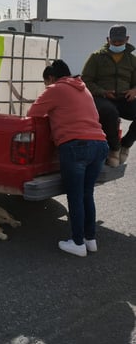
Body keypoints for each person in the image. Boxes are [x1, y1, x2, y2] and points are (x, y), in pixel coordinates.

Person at [27, 60, 109, 257]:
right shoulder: (83, 88)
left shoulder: (56, 88)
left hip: (76, 146)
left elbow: (33, 113)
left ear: (51, 78)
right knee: (86, 194)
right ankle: (90, 239)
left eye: (46, 83)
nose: (46, 87)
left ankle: (78, 243)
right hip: (99, 144)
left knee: (75, 196)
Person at [81, 24, 136, 168]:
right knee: (110, 112)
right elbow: (86, 80)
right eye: (114, 41)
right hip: (103, 97)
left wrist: (134, 90)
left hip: (125, 98)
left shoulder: (132, 60)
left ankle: (126, 144)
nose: (117, 44)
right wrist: (102, 92)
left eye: (120, 41)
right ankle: (114, 149)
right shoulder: (96, 57)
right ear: (108, 39)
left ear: (127, 39)